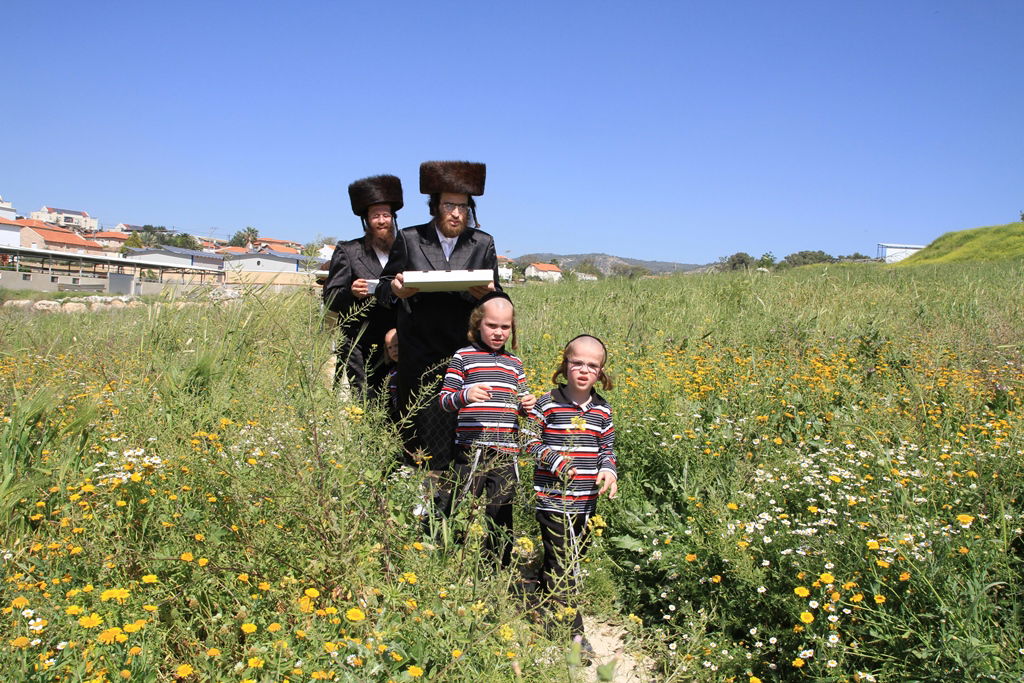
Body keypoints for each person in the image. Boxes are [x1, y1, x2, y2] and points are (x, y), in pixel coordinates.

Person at [378, 161, 500, 468]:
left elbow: (500, 299)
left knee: (460, 433)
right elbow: (382, 288)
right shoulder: (409, 238)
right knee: (417, 432)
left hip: (465, 354)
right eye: (449, 205)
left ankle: (457, 489)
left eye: (462, 206)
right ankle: (415, 490)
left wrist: (489, 295)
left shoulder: (483, 243)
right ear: (435, 207)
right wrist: (395, 289)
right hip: (418, 352)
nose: (456, 213)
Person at [526, 334, 617, 654]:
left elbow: (607, 449)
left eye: (592, 365)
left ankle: (541, 591)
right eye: (577, 362)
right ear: (564, 365)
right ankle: (572, 634)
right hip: (553, 499)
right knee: (564, 563)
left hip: (586, 502)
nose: (584, 370)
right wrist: (555, 460)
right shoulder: (547, 402)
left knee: (571, 557)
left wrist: (609, 471)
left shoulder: (602, 410)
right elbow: (528, 440)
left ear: (601, 372)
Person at [438, 292, 535, 566]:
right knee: (459, 504)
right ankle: (448, 558)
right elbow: (444, 400)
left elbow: (522, 405)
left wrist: (527, 405)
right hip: (471, 448)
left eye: (505, 327)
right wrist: (465, 395)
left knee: (501, 511)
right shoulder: (463, 357)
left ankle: (496, 566)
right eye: (492, 325)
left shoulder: (515, 363)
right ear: (478, 323)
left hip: (506, 451)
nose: (498, 332)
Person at [323, 174, 403, 400]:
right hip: (360, 343)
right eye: (375, 215)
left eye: (386, 215)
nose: (381, 221)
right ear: (366, 220)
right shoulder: (348, 251)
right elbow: (330, 297)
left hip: (399, 341)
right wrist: (351, 293)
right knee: (366, 401)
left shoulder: (406, 250)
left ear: (393, 218)